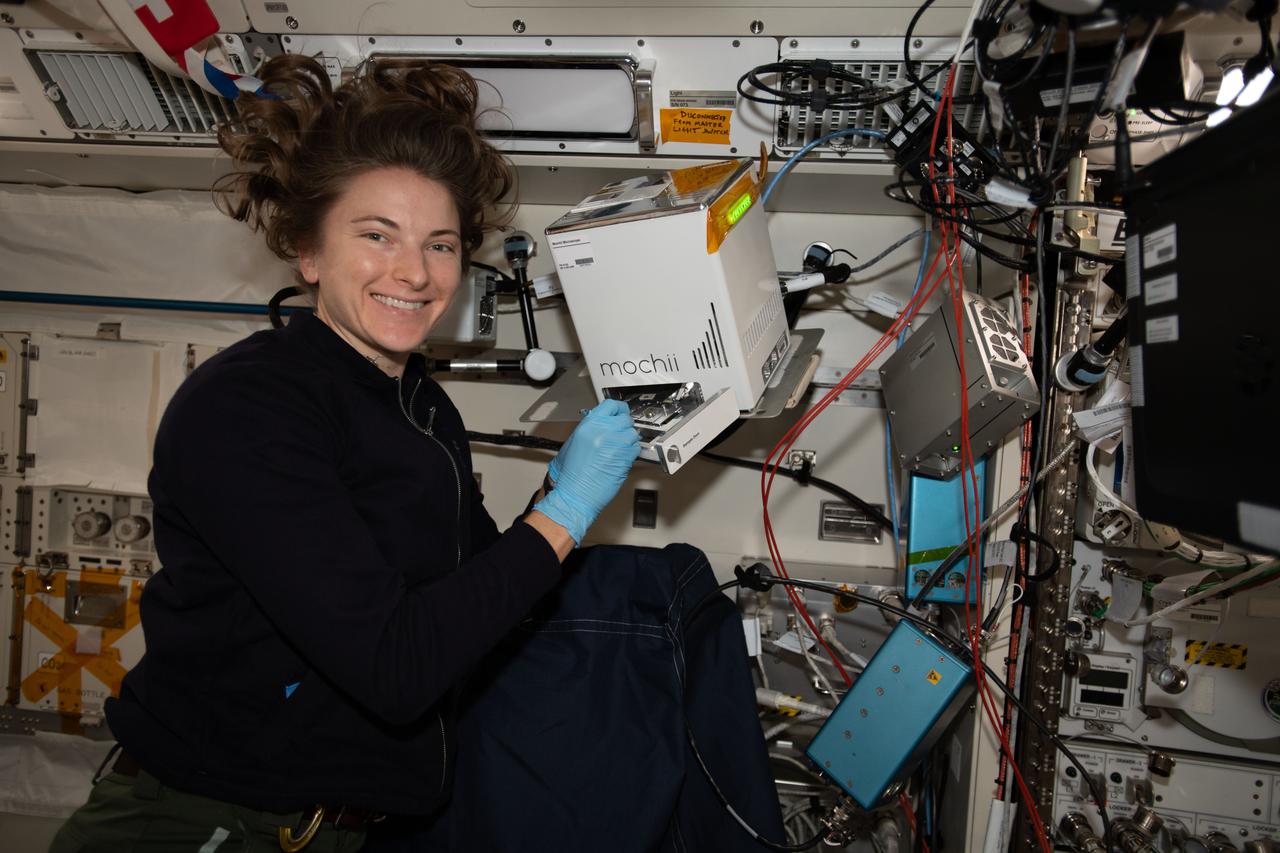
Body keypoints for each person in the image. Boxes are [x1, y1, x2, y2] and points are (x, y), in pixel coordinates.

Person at [50, 54, 641, 853]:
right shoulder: (249, 407)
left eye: (440, 245)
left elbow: (479, 597)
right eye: (377, 236)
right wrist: (567, 513)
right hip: (203, 820)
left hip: (344, 826)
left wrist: (556, 495)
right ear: (308, 250)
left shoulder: (420, 404)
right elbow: (395, 665)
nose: (414, 271)